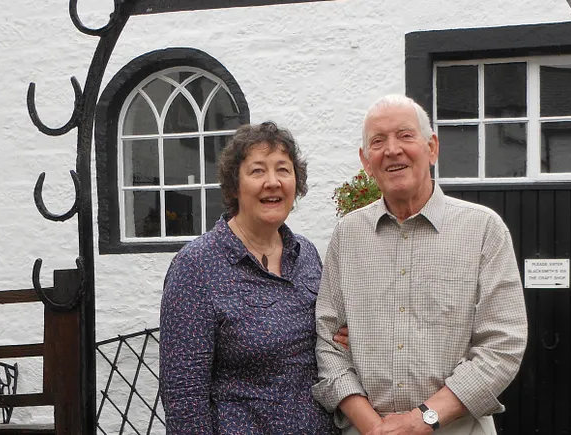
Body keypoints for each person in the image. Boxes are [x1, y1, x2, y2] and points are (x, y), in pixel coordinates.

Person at [313, 95, 529, 435]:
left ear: (432, 148)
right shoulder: (348, 236)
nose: (392, 149)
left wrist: (423, 419)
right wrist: (374, 428)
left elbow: (503, 344)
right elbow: (327, 343)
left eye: (405, 135)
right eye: (378, 142)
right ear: (366, 161)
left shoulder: (483, 230)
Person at [159, 122, 339, 434]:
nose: (273, 182)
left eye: (283, 170)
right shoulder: (196, 266)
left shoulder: (306, 254)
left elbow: (325, 337)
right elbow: (184, 397)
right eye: (257, 171)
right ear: (233, 186)